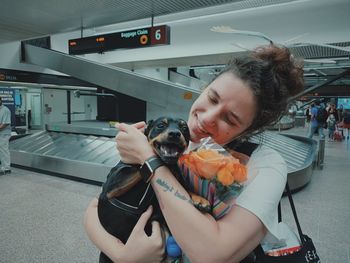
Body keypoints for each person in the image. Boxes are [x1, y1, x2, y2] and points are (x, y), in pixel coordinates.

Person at [84, 44, 304, 263]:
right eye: (212, 98)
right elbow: (97, 206)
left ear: (248, 128)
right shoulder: (173, 139)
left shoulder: (264, 165)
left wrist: (148, 160)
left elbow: (213, 254)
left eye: (230, 119)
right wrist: (122, 255)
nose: (208, 118)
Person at [0, 96, 12, 175]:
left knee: (4, 150)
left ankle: (7, 168)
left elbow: (5, 123)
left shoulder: (5, 110)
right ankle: (3, 166)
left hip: (4, 134)